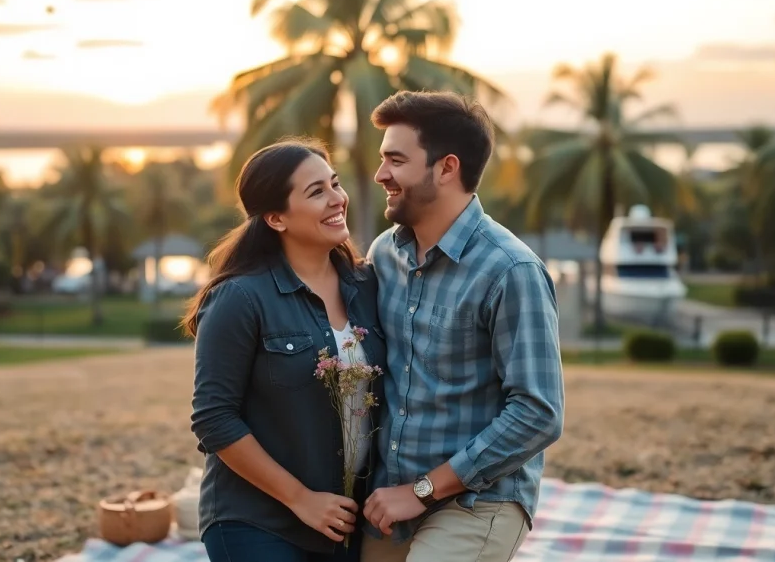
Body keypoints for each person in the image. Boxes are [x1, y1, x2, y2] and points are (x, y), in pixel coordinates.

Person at [359, 90, 566, 562]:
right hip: (391, 499)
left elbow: (538, 413)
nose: (380, 174)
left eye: (396, 160)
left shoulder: (511, 270)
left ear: (446, 168)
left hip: (480, 500)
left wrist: (424, 489)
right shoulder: (384, 255)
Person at [185, 138, 388, 562]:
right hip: (257, 519)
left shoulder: (369, 286)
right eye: (316, 192)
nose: (337, 199)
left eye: (335, 183)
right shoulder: (239, 298)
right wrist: (300, 498)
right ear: (276, 218)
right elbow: (214, 418)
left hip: (345, 521)